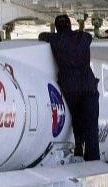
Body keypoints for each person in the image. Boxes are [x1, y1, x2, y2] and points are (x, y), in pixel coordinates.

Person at [39, 14, 100, 160]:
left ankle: (78, 143)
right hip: (88, 85)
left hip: (70, 88)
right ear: (69, 25)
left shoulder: (54, 39)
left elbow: (42, 36)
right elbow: (89, 37)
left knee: (76, 118)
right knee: (91, 124)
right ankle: (92, 159)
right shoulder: (82, 37)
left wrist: (54, 36)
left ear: (57, 27)